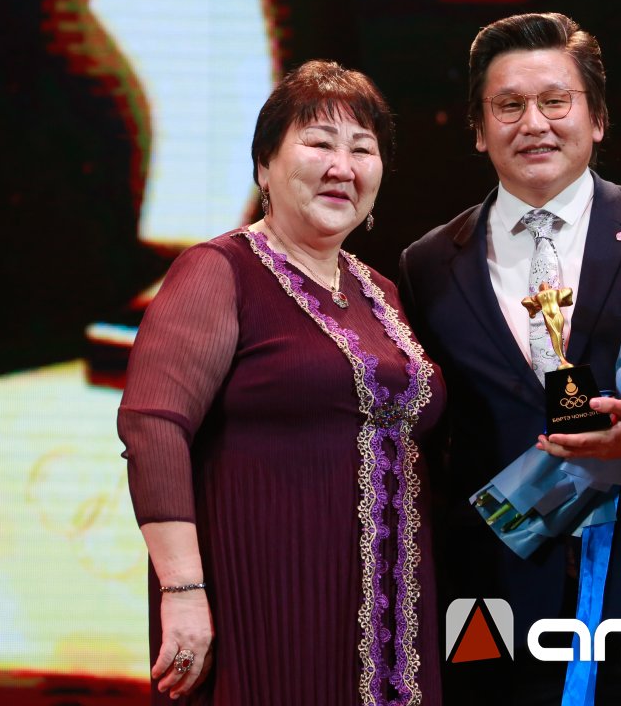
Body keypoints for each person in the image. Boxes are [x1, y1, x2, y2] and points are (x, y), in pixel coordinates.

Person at [398, 13, 621, 705]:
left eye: (556, 101)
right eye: (508, 106)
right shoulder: (428, 264)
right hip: (494, 589)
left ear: (598, 118)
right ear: (478, 128)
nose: (534, 124)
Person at [117, 60, 447, 705]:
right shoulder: (219, 270)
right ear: (264, 166)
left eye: (363, 149)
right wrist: (182, 592)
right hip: (265, 603)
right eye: (319, 143)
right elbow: (152, 425)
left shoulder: (381, 292)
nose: (342, 167)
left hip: (393, 614)